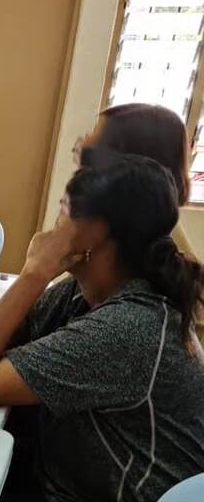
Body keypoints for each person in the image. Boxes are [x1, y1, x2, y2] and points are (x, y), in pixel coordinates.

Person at [0, 156, 204, 502]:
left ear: (93, 234)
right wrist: (37, 278)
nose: (52, 228)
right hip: (70, 490)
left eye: (63, 212)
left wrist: (34, 272)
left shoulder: (129, 327)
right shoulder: (86, 292)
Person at [77, 101, 202, 340]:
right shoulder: (124, 238)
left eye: (91, 154)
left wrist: (38, 270)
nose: (83, 144)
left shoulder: (143, 261)